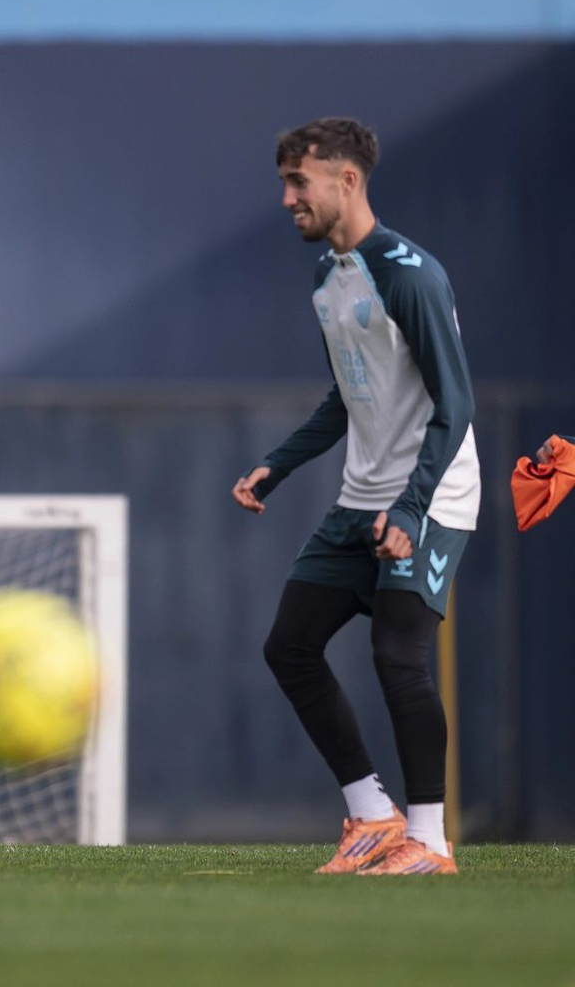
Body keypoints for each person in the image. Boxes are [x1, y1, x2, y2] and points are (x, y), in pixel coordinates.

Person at [232, 117, 478, 876]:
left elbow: (456, 403)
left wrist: (408, 510)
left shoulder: (409, 273)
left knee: (397, 655)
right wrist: (278, 464)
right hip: (361, 497)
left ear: (347, 179)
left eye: (297, 182)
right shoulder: (326, 280)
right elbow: (347, 398)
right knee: (290, 646)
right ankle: (373, 816)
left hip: (431, 497)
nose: (285, 199)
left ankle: (431, 843)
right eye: (284, 182)